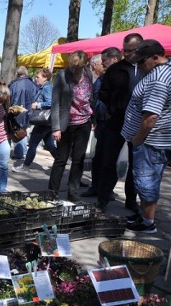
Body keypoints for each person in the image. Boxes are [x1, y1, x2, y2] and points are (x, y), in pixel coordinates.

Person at [121, 39, 171, 233]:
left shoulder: (158, 79)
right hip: (163, 137)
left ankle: (148, 223)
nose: (138, 66)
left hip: (152, 140)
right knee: (149, 178)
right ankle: (144, 216)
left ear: (155, 57)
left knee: (146, 180)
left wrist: (137, 140)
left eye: (141, 62)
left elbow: (150, 118)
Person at [97, 34, 144, 214]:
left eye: (131, 50)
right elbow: (103, 93)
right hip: (115, 122)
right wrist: (111, 109)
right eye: (125, 50)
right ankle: (103, 198)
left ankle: (131, 200)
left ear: (139, 49)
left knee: (135, 165)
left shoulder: (145, 69)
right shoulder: (115, 69)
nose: (128, 54)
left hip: (138, 124)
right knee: (108, 162)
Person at [48, 50, 96, 202]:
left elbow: (91, 97)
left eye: (78, 67)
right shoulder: (62, 76)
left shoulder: (88, 74)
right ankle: (52, 193)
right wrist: (55, 128)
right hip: (66, 124)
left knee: (78, 159)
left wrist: (93, 117)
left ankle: (72, 193)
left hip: (84, 123)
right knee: (61, 159)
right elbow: (55, 103)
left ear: (84, 65)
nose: (74, 70)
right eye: (73, 67)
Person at [13, 68, 56, 172]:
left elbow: (50, 103)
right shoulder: (44, 87)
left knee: (33, 144)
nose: (36, 79)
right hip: (46, 122)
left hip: (43, 121)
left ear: (45, 77)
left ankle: (26, 166)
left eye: (38, 77)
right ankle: (61, 161)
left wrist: (38, 105)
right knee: (50, 144)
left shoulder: (47, 88)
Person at [80, 54, 108, 201]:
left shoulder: (103, 79)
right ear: (95, 65)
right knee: (95, 156)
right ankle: (95, 185)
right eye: (101, 63)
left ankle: (102, 188)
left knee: (102, 157)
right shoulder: (91, 78)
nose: (103, 66)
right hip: (95, 122)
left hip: (103, 123)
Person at [9, 66, 38, 160]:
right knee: (24, 130)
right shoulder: (33, 84)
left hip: (16, 110)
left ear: (18, 73)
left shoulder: (14, 84)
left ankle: (20, 153)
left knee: (17, 131)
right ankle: (23, 151)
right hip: (30, 111)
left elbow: (10, 98)